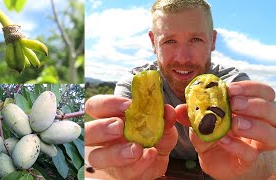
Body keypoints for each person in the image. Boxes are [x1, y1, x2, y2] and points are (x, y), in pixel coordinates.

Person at [85, 0, 276, 179]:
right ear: (153, 42)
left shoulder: (234, 86)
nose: (183, 58)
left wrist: (256, 167)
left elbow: (266, 152)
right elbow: (115, 150)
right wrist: (120, 165)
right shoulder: (134, 85)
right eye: (169, 41)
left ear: (213, 41)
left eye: (196, 39)